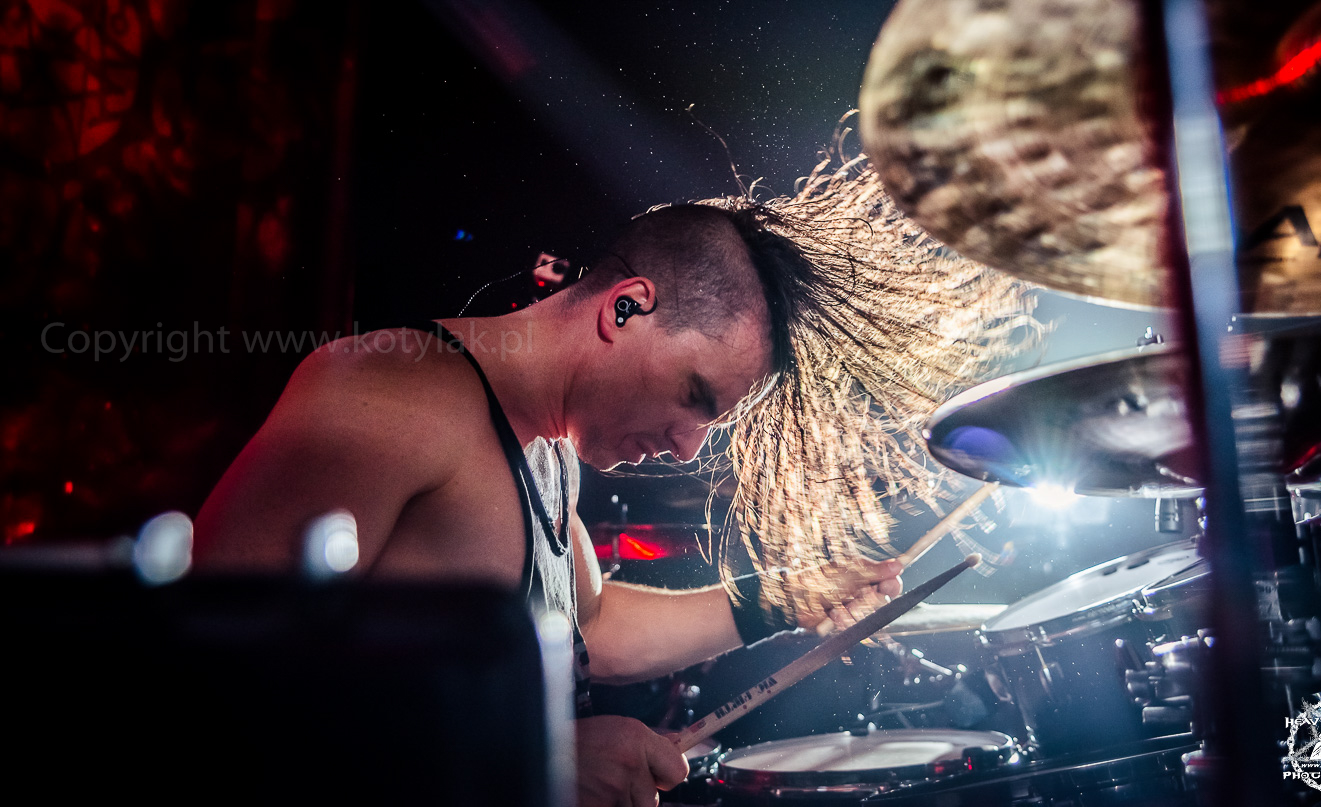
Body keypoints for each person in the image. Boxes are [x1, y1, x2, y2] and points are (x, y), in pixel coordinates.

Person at [194, 157, 1034, 807]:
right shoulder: (391, 392)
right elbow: (201, 676)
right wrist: (534, 762)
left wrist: (785, 596)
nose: (687, 446)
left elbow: (593, 626)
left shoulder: (550, 449)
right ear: (625, 306)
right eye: (695, 395)